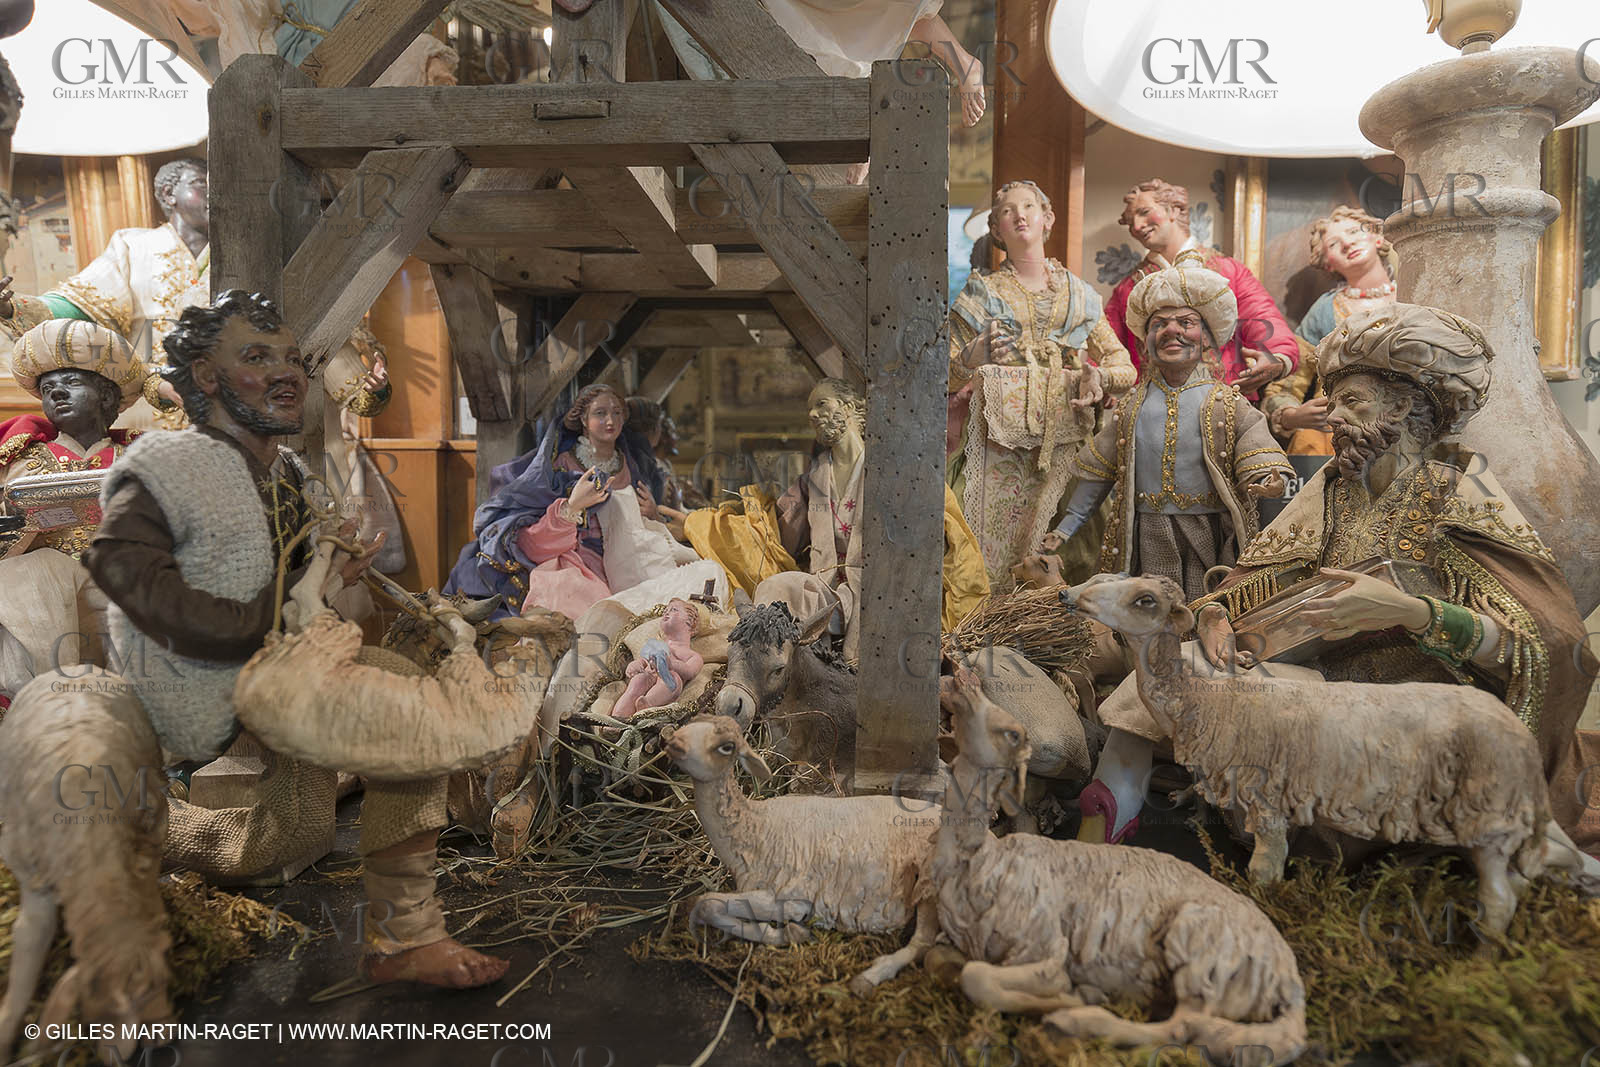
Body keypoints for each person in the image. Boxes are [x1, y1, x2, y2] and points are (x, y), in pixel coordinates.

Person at [82, 289, 507, 988]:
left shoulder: (290, 474)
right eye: (256, 357)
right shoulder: (166, 464)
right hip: (200, 682)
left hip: (286, 668)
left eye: (292, 360)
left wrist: (332, 565)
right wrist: (257, 628)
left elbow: (292, 570)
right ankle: (406, 935)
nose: (288, 375)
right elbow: (118, 566)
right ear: (208, 377)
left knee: (299, 830)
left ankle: (152, 825)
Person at [1082, 304, 1600, 854]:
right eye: (1333, 404)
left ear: (1403, 407)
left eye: (1351, 402)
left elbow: (1552, 642)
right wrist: (1214, 614)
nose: (1332, 419)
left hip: (1418, 712)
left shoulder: (1455, 493)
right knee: (1180, 664)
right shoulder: (1333, 488)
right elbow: (1252, 576)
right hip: (1323, 687)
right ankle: (1112, 809)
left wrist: (1414, 613)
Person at [686, 377, 988, 663]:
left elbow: (934, 533)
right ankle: (765, 669)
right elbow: (770, 530)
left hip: (881, 591)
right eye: (809, 409)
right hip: (826, 586)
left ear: (849, 406)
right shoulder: (813, 480)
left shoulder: (894, 469)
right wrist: (697, 523)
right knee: (775, 587)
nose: (813, 415)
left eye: (822, 404)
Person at [1043, 258, 1291, 604]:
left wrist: (1267, 476)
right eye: (1159, 324)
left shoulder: (1226, 403)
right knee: (1146, 609)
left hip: (1205, 534)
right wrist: (1065, 527)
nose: (1172, 331)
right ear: (1145, 342)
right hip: (1146, 536)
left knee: (1203, 604)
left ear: (1206, 337)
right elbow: (1098, 473)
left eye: (1186, 322)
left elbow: (1254, 441)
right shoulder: (1131, 408)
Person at [947, 180, 1135, 588]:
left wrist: (1098, 375)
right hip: (999, 443)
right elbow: (941, 372)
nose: (1019, 215)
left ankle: (1068, 638)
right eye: (1007, 211)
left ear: (1046, 218)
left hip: (1069, 437)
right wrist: (970, 358)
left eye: (1028, 206)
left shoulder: (1079, 296)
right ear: (996, 229)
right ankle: (989, 631)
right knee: (986, 549)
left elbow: (1125, 365)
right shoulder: (983, 293)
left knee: (1074, 548)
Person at [0, 319, 145, 707]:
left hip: (125, 579)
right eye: (48, 390)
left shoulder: (140, 455)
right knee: (28, 570)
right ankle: (46, 706)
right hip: (52, 590)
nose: (57, 394)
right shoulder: (24, 461)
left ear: (104, 396)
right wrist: (26, 525)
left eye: (72, 384)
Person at [445, 383, 665, 622]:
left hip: (628, 552)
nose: (610, 420)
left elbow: (641, 520)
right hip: (580, 556)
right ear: (582, 418)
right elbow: (535, 535)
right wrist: (572, 508)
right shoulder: (561, 465)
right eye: (600, 413)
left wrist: (652, 513)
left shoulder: (633, 465)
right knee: (584, 605)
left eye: (616, 412)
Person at [1103, 178, 1299, 400]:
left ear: (1174, 210)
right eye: (1130, 223)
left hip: (1224, 403)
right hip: (1152, 408)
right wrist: (1103, 382)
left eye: (1144, 212)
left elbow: (1263, 319)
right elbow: (1106, 345)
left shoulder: (1228, 271)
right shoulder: (1129, 289)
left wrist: (1278, 358)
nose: (1137, 226)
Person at [1260, 206, 1398, 456]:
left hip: (1403, 427)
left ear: (1377, 237)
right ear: (1328, 263)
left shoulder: (1414, 291)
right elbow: (1286, 384)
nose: (1347, 243)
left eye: (1354, 231)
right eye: (1334, 244)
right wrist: (1291, 416)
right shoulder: (1325, 310)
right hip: (1333, 438)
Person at [612, 598, 706, 720]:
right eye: (665, 611)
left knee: (674, 679)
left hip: (667, 682)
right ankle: (616, 718)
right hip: (649, 675)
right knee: (638, 681)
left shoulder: (692, 655)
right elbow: (645, 660)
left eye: (674, 610)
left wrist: (671, 664)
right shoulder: (656, 644)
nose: (666, 613)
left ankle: (647, 706)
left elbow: (690, 672)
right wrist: (636, 664)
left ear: (690, 622)